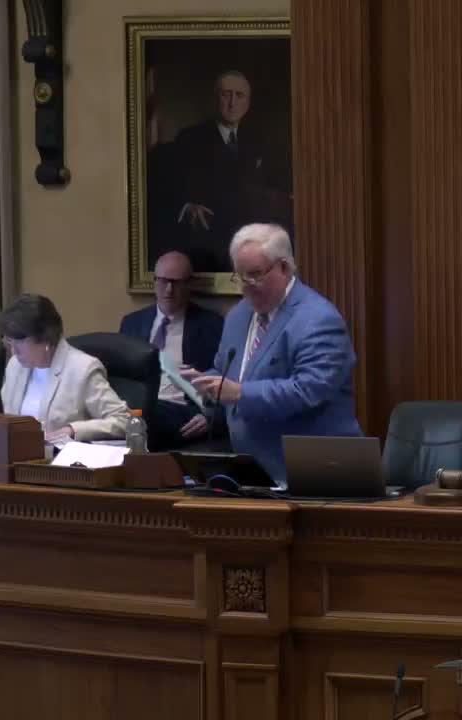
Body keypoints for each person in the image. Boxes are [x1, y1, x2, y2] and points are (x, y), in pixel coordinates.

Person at [186, 224, 361, 485]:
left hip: (317, 474)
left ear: (285, 268)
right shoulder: (238, 315)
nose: (245, 286)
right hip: (254, 473)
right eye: (240, 276)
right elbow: (226, 372)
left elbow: (308, 389)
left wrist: (240, 394)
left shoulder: (318, 318)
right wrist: (204, 383)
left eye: (255, 274)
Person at [169, 70, 293, 273]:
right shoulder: (190, 139)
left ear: (248, 103)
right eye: (225, 94)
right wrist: (187, 206)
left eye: (239, 95)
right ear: (214, 99)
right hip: (208, 243)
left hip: (252, 247)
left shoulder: (260, 140)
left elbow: (275, 185)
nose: (232, 103)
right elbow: (170, 187)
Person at [119, 251, 225, 450]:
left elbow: (226, 377)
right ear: (154, 282)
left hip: (181, 410)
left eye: (176, 283)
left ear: (189, 284)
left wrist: (212, 417)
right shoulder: (132, 323)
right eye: (163, 281)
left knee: (144, 417)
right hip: (137, 408)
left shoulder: (211, 326)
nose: (169, 290)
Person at [0, 294, 132, 442]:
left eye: (20, 341)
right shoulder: (15, 366)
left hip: (62, 455)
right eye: (10, 341)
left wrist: (72, 430)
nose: (14, 351)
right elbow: (3, 417)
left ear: (45, 338)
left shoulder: (82, 369)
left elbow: (124, 420)